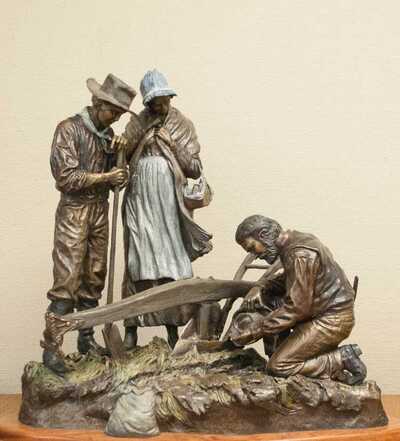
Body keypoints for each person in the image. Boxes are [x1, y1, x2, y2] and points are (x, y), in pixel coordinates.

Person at [43, 74, 135, 374]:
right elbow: (66, 178)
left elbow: (118, 182)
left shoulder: (109, 136)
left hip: (99, 210)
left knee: (95, 275)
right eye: (113, 112)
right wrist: (107, 176)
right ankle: (52, 348)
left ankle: (86, 339)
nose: (116, 118)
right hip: (74, 211)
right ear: (97, 103)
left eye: (120, 114)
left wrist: (120, 157)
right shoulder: (68, 130)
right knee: (67, 277)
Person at [121, 69, 212, 349]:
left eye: (164, 100)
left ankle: (173, 328)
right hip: (140, 201)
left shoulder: (182, 124)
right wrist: (136, 142)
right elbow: (120, 159)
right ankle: (131, 328)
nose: (160, 106)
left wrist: (172, 145)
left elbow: (194, 168)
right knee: (138, 262)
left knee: (168, 262)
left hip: (168, 204)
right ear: (147, 103)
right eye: (155, 102)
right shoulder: (137, 123)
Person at [231, 215, 367, 385]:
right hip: (322, 313)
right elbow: (291, 278)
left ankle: (341, 358)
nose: (255, 255)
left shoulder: (299, 254)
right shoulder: (296, 242)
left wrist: (257, 330)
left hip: (331, 319)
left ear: (263, 234)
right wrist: (261, 287)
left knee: (278, 366)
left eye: (252, 247)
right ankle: (280, 351)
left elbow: (297, 308)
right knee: (272, 300)